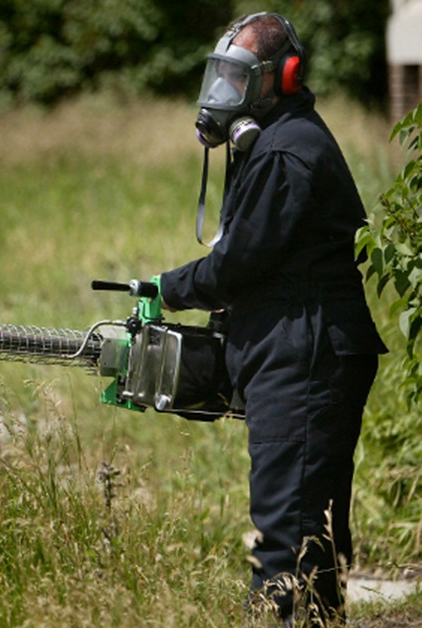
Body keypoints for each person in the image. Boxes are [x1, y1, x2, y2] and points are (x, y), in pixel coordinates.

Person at [157, 12, 388, 624]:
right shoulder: (276, 142)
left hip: (306, 356)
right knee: (310, 532)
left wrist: (169, 288)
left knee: (290, 542)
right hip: (294, 349)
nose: (222, 95)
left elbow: (239, 263)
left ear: (280, 77)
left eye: (237, 79)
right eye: (219, 78)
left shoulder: (289, 151)